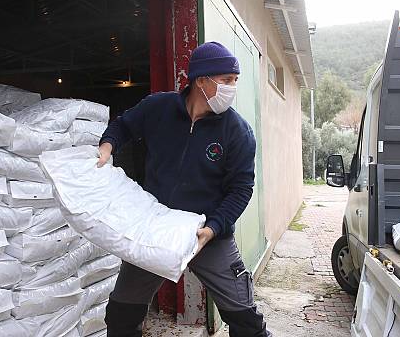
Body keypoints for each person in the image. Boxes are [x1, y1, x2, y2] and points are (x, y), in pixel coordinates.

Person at [97, 41, 271, 337]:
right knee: (120, 316)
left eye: (235, 81)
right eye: (226, 80)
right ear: (201, 80)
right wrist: (106, 147)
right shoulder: (158, 108)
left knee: (246, 322)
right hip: (156, 229)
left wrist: (213, 228)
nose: (232, 88)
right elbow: (123, 126)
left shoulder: (237, 132)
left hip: (207, 234)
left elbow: (241, 189)